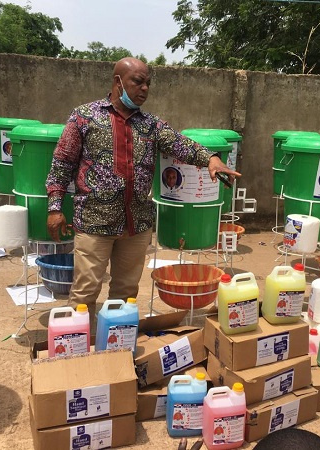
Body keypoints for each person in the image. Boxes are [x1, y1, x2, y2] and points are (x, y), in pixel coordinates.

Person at [46, 57, 240, 328]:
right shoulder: (84, 116)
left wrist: (210, 158)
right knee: (84, 293)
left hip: (136, 225)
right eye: (138, 82)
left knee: (126, 294)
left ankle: (118, 349)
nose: (145, 88)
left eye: (148, 83)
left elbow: (179, 144)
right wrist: (55, 207)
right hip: (94, 222)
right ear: (118, 82)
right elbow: (62, 163)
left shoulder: (150, 125)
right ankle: (80, 353)